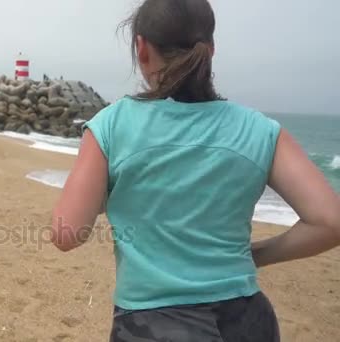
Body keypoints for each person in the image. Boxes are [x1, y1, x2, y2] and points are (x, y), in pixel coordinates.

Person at [50, 0, 340, 341]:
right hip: (248, 321)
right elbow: (329, 222)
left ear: (141, 48)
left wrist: (108, 193)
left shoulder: (112, 125)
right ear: (211, 50)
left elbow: (67, 233)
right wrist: (254, 255)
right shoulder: (259, 130)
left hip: (152, 325)